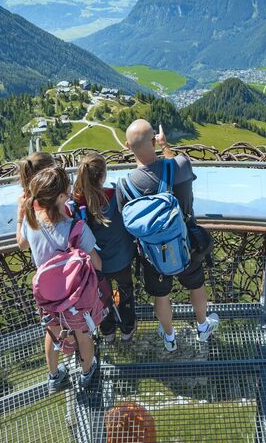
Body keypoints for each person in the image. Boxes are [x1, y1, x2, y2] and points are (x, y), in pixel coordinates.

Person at [118, 119, 218, 352]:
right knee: (196, 286)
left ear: (127, 146)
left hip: (152, 253)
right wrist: (165, 147)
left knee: (161, 296)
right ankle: (203, 327)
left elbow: (127, 223)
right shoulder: (180, 165)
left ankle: (169, 338)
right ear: (154, 140)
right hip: (187, 245)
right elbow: (174, 165)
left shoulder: (124, 186)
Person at [16, 166, 102, 390]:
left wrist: (19, 218)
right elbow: (96, 263)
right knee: (83, 334)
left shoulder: (30, 220)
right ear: (62, 197)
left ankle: (54, 376)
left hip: (48, 298)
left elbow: (22, 243)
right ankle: (86, 373)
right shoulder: (76, 228)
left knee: (52, 334)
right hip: (75, 298)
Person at [73, 152, 138, 342]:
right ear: (103, 175)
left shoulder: (78, 202)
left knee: (102, 297)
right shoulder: (116, 193)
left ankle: (108, 330)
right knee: (125, 291)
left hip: (96, 264)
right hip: (122, 257)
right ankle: (127, 328)